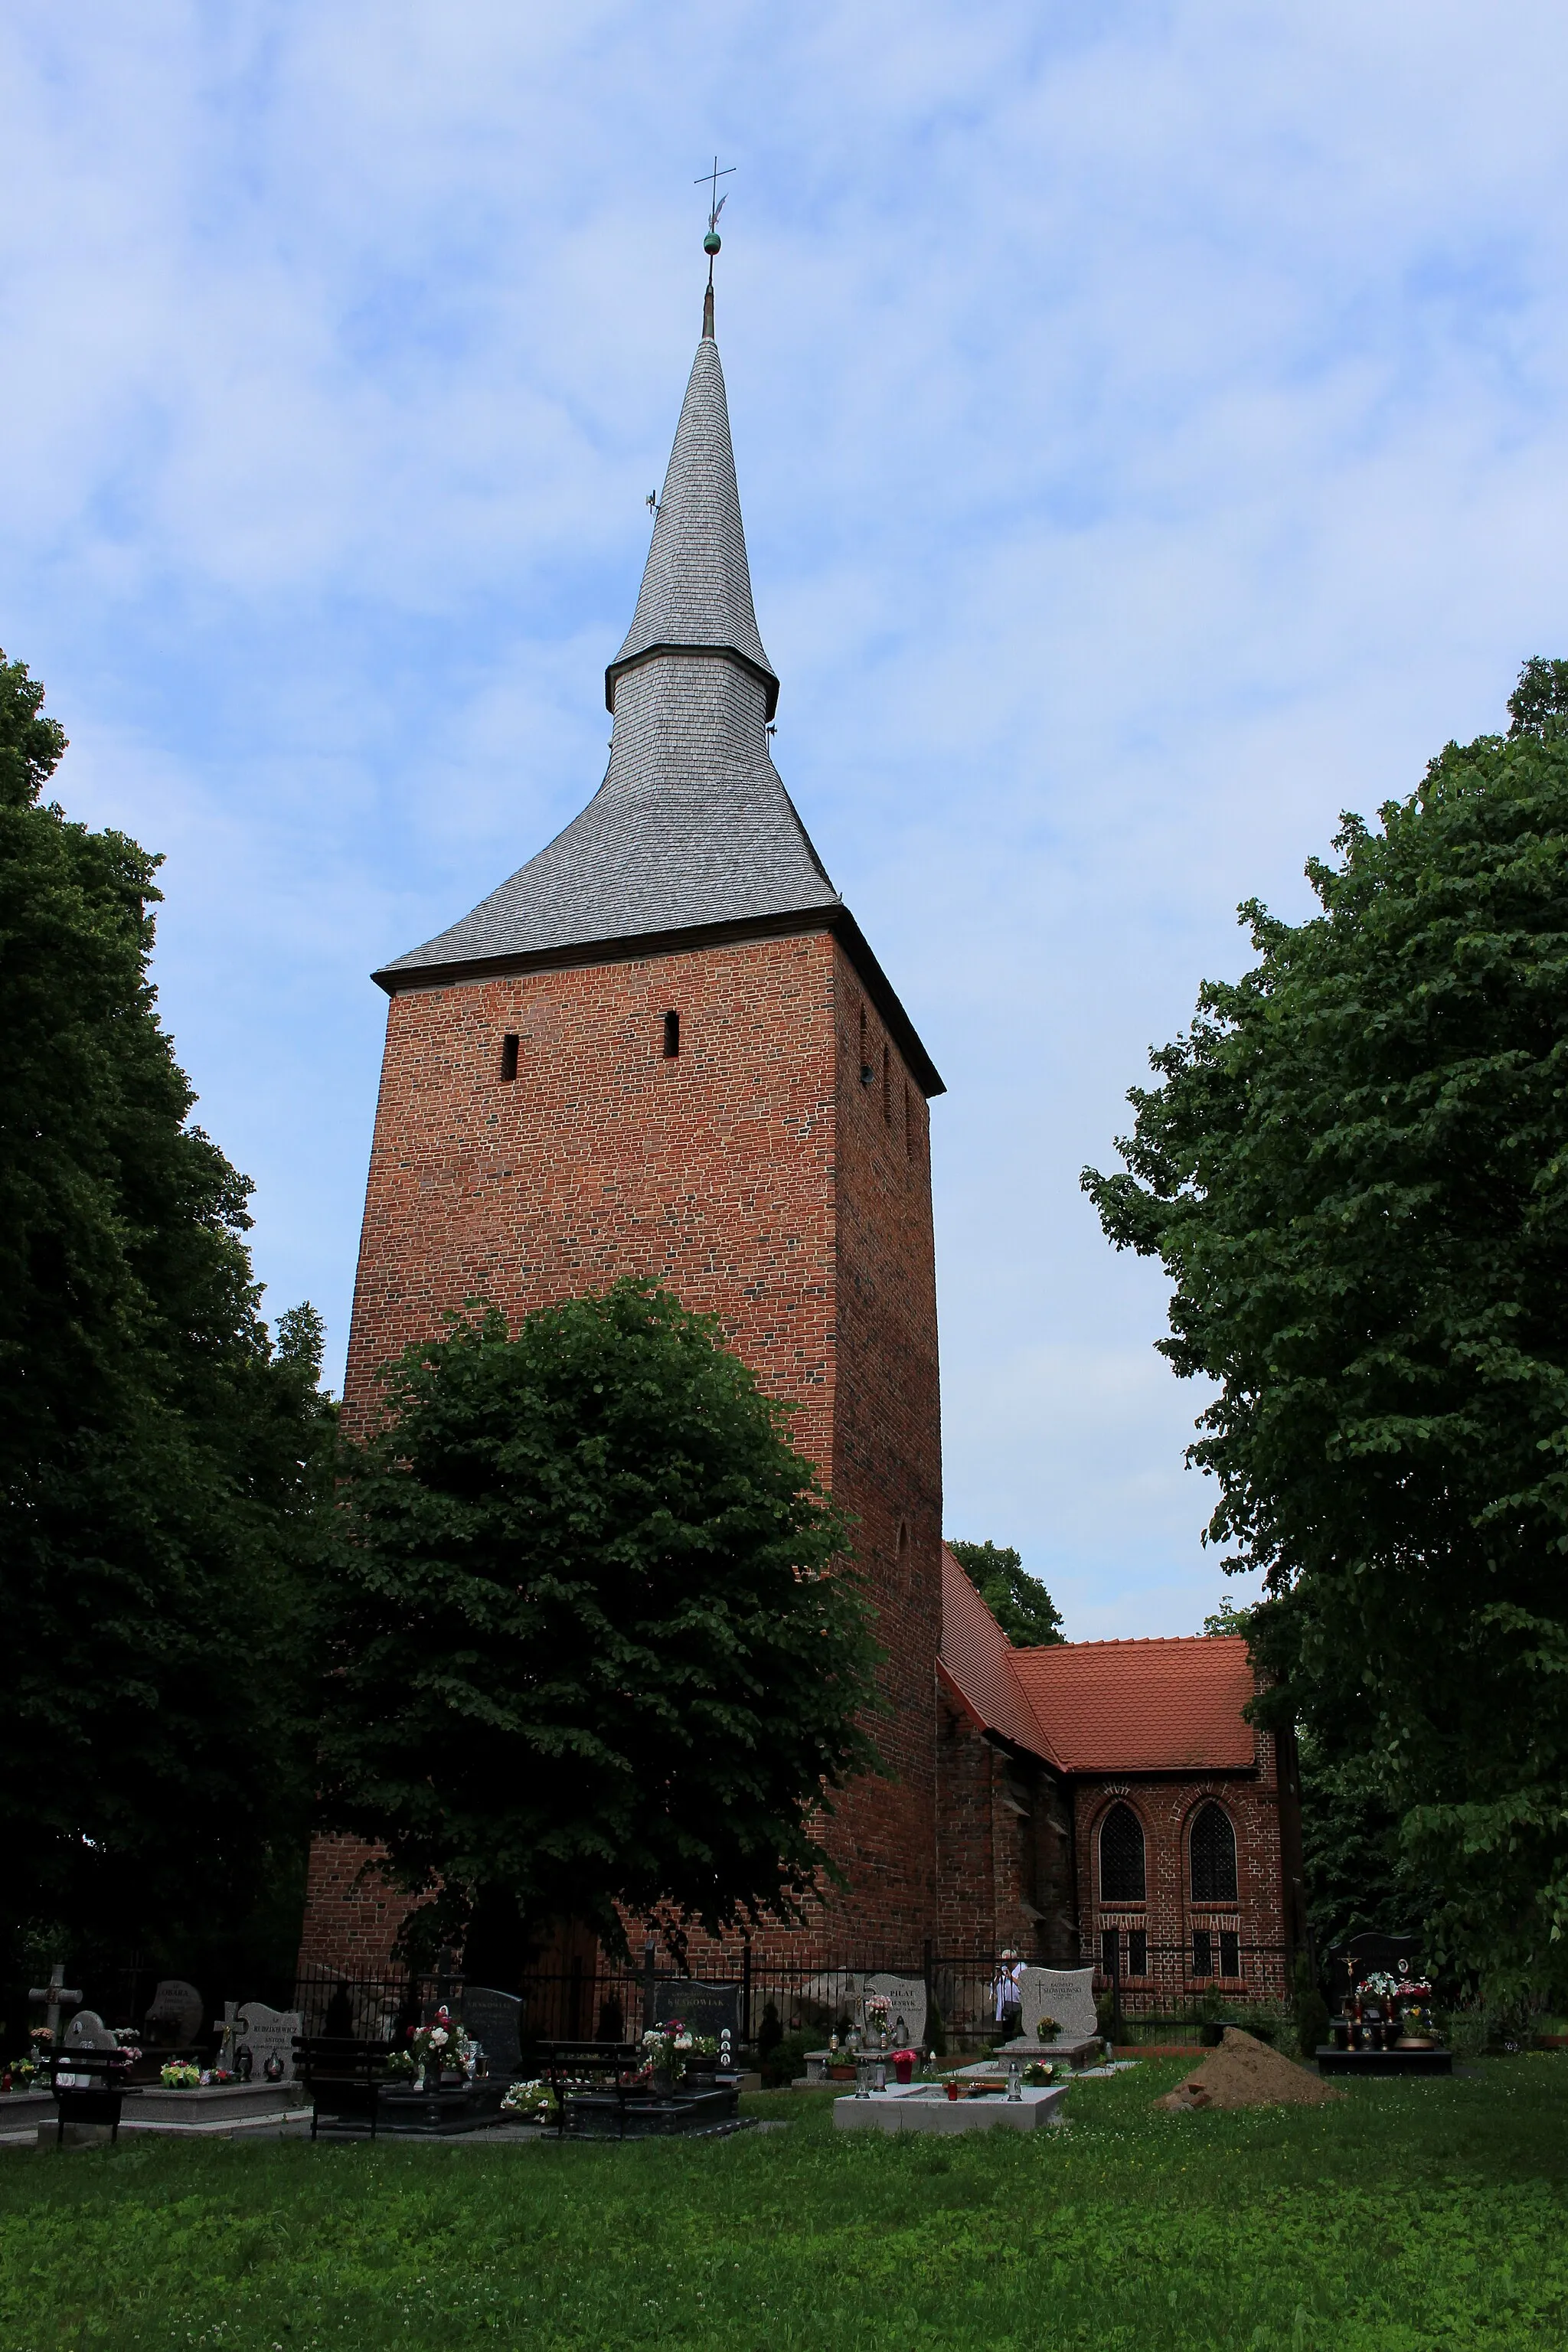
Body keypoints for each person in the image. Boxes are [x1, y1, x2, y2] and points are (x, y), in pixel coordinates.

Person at [993, 1950, 1024, 2039]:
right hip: (1005, 2006)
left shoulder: (1022, 1967)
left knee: (1016, 2032)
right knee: (1006, 2033)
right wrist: (998, 1976)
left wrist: (1010, 1977)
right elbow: (993, 1986)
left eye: (1008, 1961)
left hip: (1017, 2004)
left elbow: (1024, 1985)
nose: (1006, 1964)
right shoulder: (1004, 1969)